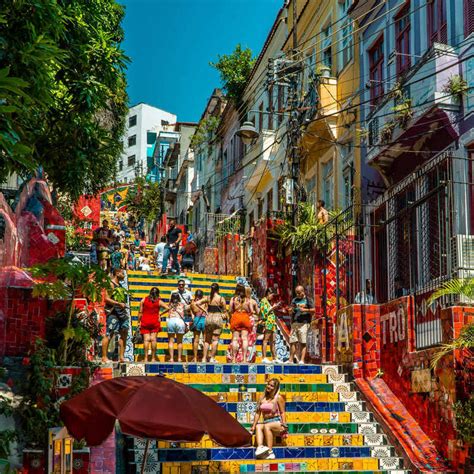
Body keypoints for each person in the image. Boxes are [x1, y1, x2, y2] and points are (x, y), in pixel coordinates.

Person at [250, 378, 287, 460]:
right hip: (266, 422)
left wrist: (284, 424)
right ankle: (260, 447)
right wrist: (253, 425)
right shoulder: (262, 398)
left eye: (271, 385)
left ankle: (270, 452)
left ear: (275, 388)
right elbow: (257, 413)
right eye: (268, 384)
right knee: (258, 426)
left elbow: (282, 412)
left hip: (277, 422)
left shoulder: (278, 398)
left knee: (267, 426)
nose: (269, 386)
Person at [101, 268, 129, 363]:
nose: (124, 275)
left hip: (122, 313)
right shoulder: (111, 284)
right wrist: (118, 303)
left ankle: (121, 357)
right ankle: (104, 357)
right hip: (113, 313)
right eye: (122, 273)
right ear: (117, 273)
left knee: (124, 333)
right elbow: (106, 298)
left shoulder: (120, 285)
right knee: (109, 333)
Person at [137, 287, 168, 362]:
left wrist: (138, 322)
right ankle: (153, 358)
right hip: (155, 321)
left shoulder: (143, 300)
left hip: (145, 321)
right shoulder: (159, 301)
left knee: (146, 340)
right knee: (153, 340)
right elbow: (168, 308)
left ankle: (146, 358)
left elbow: (140, 312)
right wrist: (160, 314)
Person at [289, 285, 315, 364]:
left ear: (303, 291)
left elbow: (314, 310)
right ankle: (290, 360)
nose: (297, 295)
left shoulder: (308, 300)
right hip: (295, 323)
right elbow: (291, 310)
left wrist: (305, 310)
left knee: (303, 342)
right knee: (293, 341)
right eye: (296, 293)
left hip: (304, 323)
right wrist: (291, 310)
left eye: (299, 293)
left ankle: (302, 360)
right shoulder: (294, 300)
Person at [203, 283, 227, 363]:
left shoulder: (208, 297)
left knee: (207, 340)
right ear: (218, 289)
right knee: (215, 340)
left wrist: (204, 310)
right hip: (217, 318)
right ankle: (212, 358)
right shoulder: (221, 298)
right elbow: (225, 311)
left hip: (209, 317)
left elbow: (196, 303)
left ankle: (203, 358)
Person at [229, 284, 253, 364]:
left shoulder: (234, 299)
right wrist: (247, 314)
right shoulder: (247, 300)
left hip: (236, 316)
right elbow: (251, 311)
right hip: (245, 317)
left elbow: (230, 310)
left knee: (235, 339)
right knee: (244, 338)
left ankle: (234, 359)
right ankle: (244, 359)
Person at [259, 288, 283, 364]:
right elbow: (264, 312)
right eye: (272, 295)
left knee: (273, 341)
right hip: (268, 322)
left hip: (272, 322)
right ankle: (264, 357)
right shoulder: (263, 301)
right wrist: (273, 307)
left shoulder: (268, 302)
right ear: (268, 294)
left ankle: (275, 357)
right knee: (266, 339)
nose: (272, 297)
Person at [166, 292, 187, 362]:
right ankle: (179, 358)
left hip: (171, 321)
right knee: (179, 342)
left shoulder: (169, 305)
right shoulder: (182, 305)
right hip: (179, 321)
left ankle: (171, 358)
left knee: (171, 341)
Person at [190, 289, 208, 362]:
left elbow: (192, 313)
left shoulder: (193, 303)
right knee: (205, 340)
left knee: (196, 340)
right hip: (204, 320)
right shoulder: (205, 302)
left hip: (197, 319)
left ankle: (195, 358)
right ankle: (204, 357)